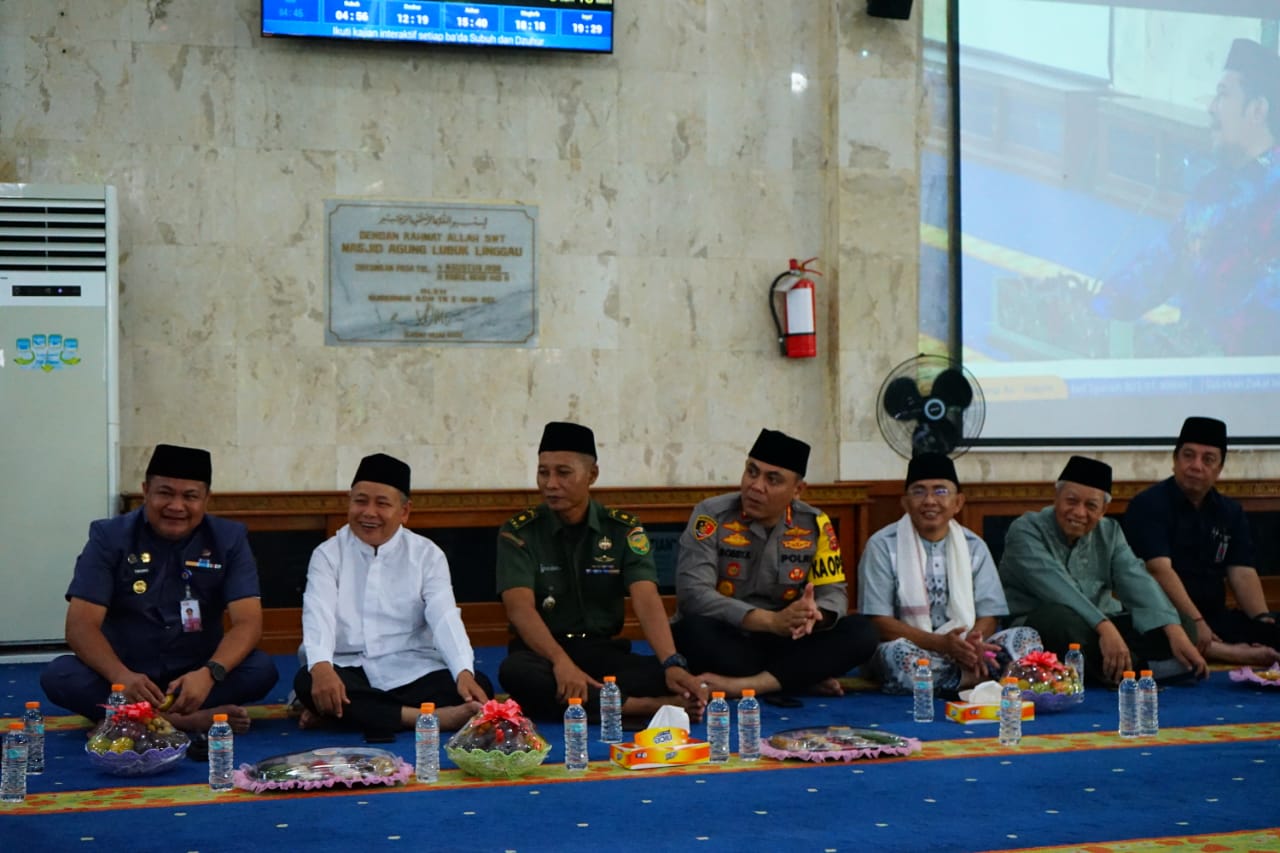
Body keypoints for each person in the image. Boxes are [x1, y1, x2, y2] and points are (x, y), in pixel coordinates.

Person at [40, 444, 278, 733]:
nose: (176, 506)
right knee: (60, 675)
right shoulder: (109, 537)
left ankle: (129, 719)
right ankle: (183, 721)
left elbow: (248, 622)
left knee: (261, 669)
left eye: (190, 496)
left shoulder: (229, 539)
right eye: (165, 493)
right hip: (125, 674)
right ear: (146, 491)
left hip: (195, 675)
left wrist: (209, 673)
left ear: (206, 499)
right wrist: (121, 676)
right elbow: (81, 625)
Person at [496, 422, 708, 722]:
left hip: (601, 652)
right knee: (517, 673)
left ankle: (592, 702)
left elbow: (646, 599)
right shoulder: (518, 532)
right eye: (543, 472)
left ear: (592, 475)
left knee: (670, 672)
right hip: (542, 653)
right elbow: (520, 609)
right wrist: (561, 662)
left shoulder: (622, 529)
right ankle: (643, 707)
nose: (550, 483)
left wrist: (671, 663)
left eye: (563, 473)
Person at [1088, 39, 1280, 356]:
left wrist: (1179, 346)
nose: (1211, 107)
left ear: (1257, 110)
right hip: (1191, 366)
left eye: (1223, 95)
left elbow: (1264, 314)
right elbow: (1166, 260)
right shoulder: (1213, 188)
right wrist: (1101, 308)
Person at [293, 453, 492, 740]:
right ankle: (428, 717)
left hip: (410, 667)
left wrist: (463, 671)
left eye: (382, 504)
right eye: (360, 501)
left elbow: (444, 616)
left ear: (404, 511)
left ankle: (345, 713)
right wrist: (322, 666)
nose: (368, 513)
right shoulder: (327, 554)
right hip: (349, 667)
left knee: (477, 684)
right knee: (308, 680)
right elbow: (318, 613)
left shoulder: (427, 555)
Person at [672, 429, 879, 703]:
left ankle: (750, 685)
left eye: (772, 479)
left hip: (786, 641)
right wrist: (770, 621)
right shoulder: (711, 515)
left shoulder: (816, 524)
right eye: (751, 472)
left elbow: (834, 592)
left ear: (798, 490)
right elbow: (693, 594)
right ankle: (796, 677)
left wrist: (814, 615)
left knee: (862, 632)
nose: (756, 486)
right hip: (730, 635)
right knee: (690, 631)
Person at [997, 455, 1207, 686]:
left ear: (1104, 510)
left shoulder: (1110, 532)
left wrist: (1172, 627)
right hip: (1047, 625)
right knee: (1058, 620)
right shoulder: (1026, 530)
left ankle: (1114, 669)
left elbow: (1136, 580)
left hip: (1101, 629)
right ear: (1056, 497)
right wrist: (1104, 627)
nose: (1079, 512)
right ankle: (1139, 671)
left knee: (1182, 624)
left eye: (1091, 506)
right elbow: (1057, 588)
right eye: (1071, 501)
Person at [858, 453, 1041, 695]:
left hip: (967, 647)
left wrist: (972, 644)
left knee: (1026, 638)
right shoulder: (882, 545)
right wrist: (941, 645)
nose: (929, 500)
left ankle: (954, 679)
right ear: (905, 503)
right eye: (919, 492)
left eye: (940, 491)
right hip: (913, 649)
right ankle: (980, 678)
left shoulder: (974, 546)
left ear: (958, 502)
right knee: (898, 655)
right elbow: (879, 621)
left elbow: (990, 614)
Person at [1123, 416, 1279, 666]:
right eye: (1189, 456)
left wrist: (1261, 621)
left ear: (1219, 468)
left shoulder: (1230, 512)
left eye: (1208, 459)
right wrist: (1196, 622)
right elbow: (1159, 569)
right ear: (1175, 460)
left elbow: (1242, 571)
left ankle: (1219, 647)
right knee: (1146, 637)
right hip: (1167, 616)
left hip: (1214, 616)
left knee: (1273, 630)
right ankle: (1224, 652)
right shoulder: (1148, 505)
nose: (1196, 466)